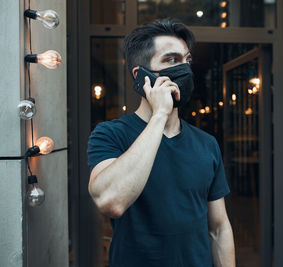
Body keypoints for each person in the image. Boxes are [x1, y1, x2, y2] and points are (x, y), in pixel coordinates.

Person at [87, 19, 235, 267]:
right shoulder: (110, 134)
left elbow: (218, 228)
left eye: (186, 60)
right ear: (141, 77)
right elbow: (111, 201)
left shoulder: (207, 144)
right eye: (171, 60)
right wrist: (159, 116)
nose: (185, 69)